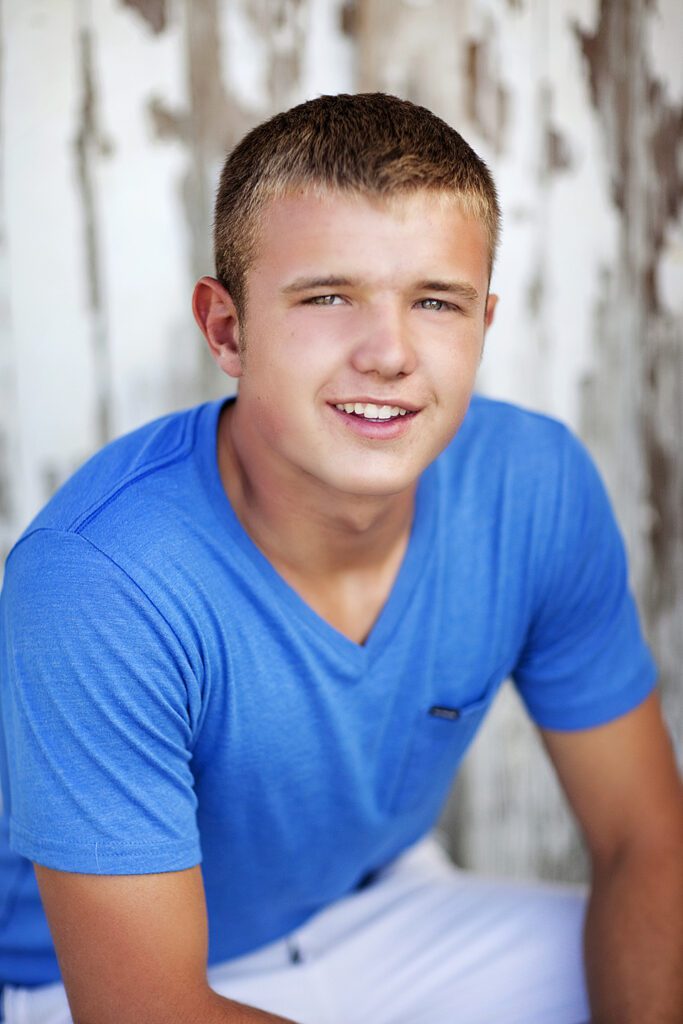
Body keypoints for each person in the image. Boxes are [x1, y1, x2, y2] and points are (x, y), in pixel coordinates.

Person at [0, 93, 681, 1024]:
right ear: (227, 329)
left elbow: (643, 841)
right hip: (71, 991)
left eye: (434, 302)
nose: (390, 353)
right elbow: (145, 1012)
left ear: (484, 320)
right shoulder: (100, 576)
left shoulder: (534, 482)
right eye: (328, 297)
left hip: (377, 913)